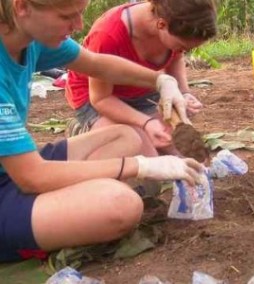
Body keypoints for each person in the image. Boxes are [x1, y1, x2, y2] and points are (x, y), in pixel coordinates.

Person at [0, 0, 204, 262]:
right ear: (22, 7)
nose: (78, 25)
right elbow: (33, 177)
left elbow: (97, 64)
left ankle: (53, 211)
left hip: (12, 169)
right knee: (122, 205)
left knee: (125, 136)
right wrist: (140, 166)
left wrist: (161, 80)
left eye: (80, 14)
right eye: (67, 16)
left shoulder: (30, 39)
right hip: (17, 180)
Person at [65, 0, 217, 156]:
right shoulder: (108, 35)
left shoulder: (172, 21)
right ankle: (83, 130)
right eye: (182, 47)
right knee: (147, 157)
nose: (183, 51)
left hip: (142, 93)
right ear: (161, 25)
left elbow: (175, 58)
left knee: (188, 153)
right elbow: (101, 99)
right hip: (98, 100)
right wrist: (146, 122)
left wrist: (184, 94)